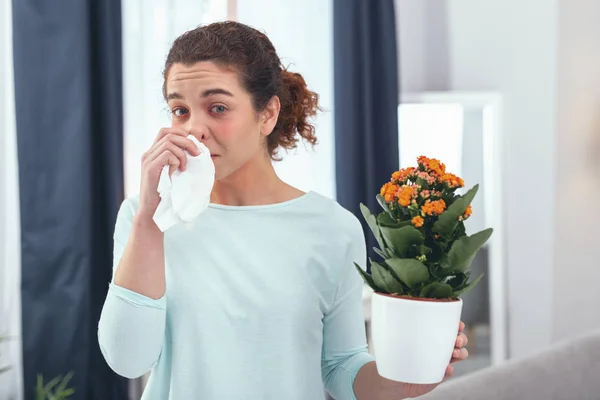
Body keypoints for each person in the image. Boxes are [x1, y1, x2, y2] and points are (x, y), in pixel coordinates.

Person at [97, 21, 469, 400]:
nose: (194, 129)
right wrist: (148, 221)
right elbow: (127, 360)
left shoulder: (331, 228)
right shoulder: (147, 217)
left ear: (267, 114)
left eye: (218, 107)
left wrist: (401, 381)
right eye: (179, 110)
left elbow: (340, 366)